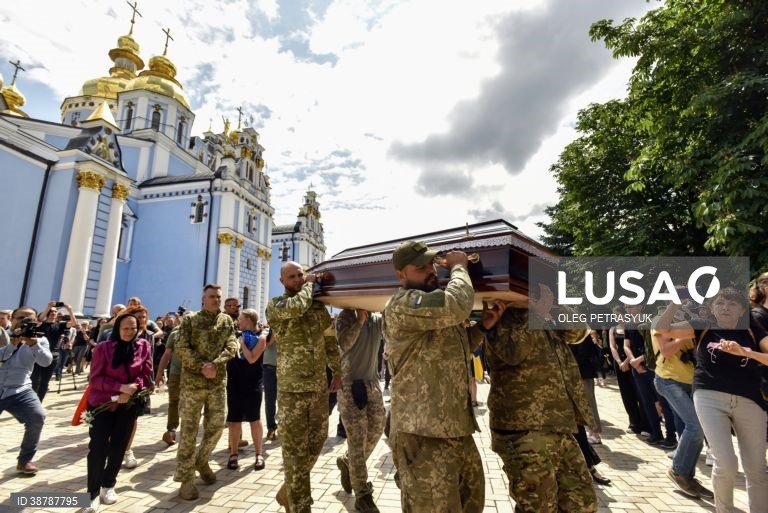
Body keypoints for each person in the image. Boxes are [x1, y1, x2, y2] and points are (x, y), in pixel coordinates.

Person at [382, 241, 484, 513]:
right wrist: (460, 266)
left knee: (471, 503)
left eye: (431, 264)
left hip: (456, 427)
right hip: (422, 433)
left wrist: (484, 326)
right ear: (401, 275)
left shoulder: (431, 306)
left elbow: (453, 348)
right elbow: (455, 306)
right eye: (421, 267)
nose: (431, 271)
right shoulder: (403, 304)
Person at [481, 283, 598, 513]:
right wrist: (537, 311)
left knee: (582, 503)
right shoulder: (502, 314)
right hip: (523, 428)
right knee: (538, 506)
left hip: (559, 426)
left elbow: (578, 332)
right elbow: (513, 353)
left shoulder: (548, 315)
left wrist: (553, 304)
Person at [656, 288, 768, 513]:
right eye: (721, 303)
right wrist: (675, 303)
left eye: (732, 304)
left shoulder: (752, 328)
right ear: (712, 308)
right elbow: (663, 329)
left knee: (756, 468)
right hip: (709, 395)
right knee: (726, 463)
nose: (726, 307)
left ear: (742, 310)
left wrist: (746, 353)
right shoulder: (701, 324)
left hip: (750, 399)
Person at [265, 261, 342, 513]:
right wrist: (310, 284)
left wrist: (338, 371)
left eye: (301, 275)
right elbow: (297, 307)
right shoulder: (277, 305)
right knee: (295, 452)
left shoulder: (318, 308)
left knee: (318, 440)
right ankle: (300, 505)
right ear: (282, 281)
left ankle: (290, 488)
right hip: (291, 390)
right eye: (293, 276)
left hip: (318, 386)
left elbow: (330, 340)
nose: (298, 279)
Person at [174, 284, 238, 500]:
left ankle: (202, 461)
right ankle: (186, 480)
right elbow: (181, 347)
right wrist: (203, 365)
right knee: (189, 432)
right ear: (203, 299)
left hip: (217, 383)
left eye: (218, 297)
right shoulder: (191, 320)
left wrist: (216, 364)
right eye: (212, 297)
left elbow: (232, 345)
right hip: (193, 384)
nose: (216, 300)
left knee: (217, 426)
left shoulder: (226, 321)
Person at [83, 313, 152, 513]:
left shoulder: (143, 346)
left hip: (128, 404)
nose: (130, 332)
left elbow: (145, 373)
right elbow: (95, 379)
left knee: (119, 446)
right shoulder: (104, 348)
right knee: (98, 447)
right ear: (117, 329)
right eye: (125, 328)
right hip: (102, 404)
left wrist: (132, 389)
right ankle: (92, 494)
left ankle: (108, 485)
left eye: (133, 328)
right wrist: (120, 388)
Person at [651, 304, 712, 499]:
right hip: (668, 380)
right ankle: (679, 471)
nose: (687, 304)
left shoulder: (691, 320)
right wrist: (682, 337)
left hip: (690, 381)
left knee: (697, 428)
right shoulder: (661, 322)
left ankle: (686, 474)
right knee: (695, 427)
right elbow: (666, 351)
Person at [335, 309, 386, 513]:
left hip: (372, 383)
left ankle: (349, 464)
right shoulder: (345, 316)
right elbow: (344, 344)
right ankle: (363, 494)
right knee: (357, 438)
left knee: (376, 431)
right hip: (349, 385)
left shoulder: (378, 319)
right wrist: (359, 321)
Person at [0, 306, 52, 475]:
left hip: (20, 388)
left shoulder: (39, 340)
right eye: (20, 318)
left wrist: (33, 344)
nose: (23, 322)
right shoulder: (2, 336)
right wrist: (12, 344)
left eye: (29, 319)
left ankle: (25, 461)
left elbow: (46, 362)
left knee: (37, 417)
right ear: (11, 319)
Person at [623, 304, 678, 449]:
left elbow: (656, 346)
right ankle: (656, 434)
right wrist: (633, 362)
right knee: (647, 402)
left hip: (653, 367)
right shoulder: (629, 324)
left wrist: (640, 360)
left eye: (631, 306)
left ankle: (671, 436)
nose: (628, 309)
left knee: (663, 403)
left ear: (640, 307)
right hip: (637, 369)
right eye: (626, 307)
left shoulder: (651, 322)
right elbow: (626, 345)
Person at [226, 308, 267, 471]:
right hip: (234, 383)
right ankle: (233, 454)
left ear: (249, 320)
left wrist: (242, 343)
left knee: (255, 420)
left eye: (241, 318)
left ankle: (258, 454)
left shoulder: (261, 338)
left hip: (253, 383)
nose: (238, 321)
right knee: (234, 421)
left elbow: (251, 359)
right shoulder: (233, 335)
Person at [608, 305, 648, 435]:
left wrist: (626, 361)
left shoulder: (631, 326)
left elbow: (631, 345)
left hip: (632, 361)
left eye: (618, 314)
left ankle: (645, 423)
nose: (616, 317)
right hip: (619, 364)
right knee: (627, 394)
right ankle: (633, 422)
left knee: (639, 393)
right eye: (614, 314)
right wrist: (619, 362)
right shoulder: (613, 329)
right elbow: (612, 347)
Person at [155, 311, 192, 446]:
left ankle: (188, 433)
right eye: (186, 318)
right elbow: (167, 354)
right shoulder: (175, 333)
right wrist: (159, 373)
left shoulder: (201, 333)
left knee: (192, 404)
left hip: (194, 375)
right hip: (176, 373)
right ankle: (171, 430)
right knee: (174, 402)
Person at [31, 301, 76, 400]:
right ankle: (31, 402)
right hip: (38, 355)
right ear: (47, 313)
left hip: (53, 356)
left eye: (55, 311)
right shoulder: (41, 324)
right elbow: (39, 319)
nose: (53, 312)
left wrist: (70, 310)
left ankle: (38, 403)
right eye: (51, 311)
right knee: (34, 380)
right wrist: (48, 306)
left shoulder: (60, 325)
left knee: (44, 382)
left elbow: (74, 323)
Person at [262, 323, 279, 441]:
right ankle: (271, 428)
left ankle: (283, 426)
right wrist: (272, 336)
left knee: (285, 400)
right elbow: (263, 347)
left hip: (285, 371)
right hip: (269, 369)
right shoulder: (266, 331)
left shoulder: (289, 329)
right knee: (270, 401)